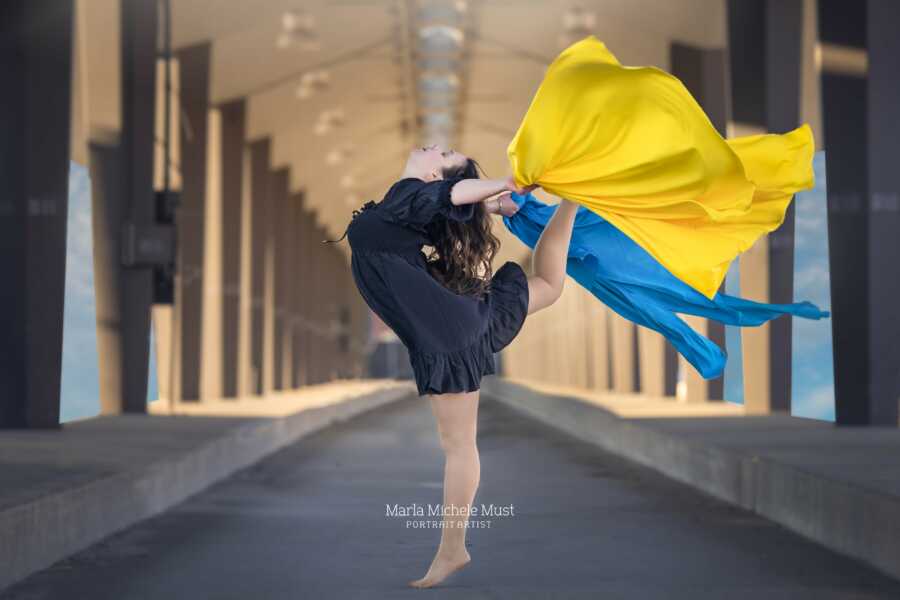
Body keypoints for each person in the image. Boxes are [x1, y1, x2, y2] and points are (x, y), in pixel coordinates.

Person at [325, 144, 579, 588]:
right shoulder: (405, 206)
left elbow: (452, 194)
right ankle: (575, 202)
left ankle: (452, 548)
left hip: (448, 331)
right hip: (452, 320)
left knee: (459, 445)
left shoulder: (412, 196)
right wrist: (491, 201)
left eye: (441, 152)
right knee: (548, 285)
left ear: (436, 178)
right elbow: (451, 200)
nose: (431, 146)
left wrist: (501, 186)